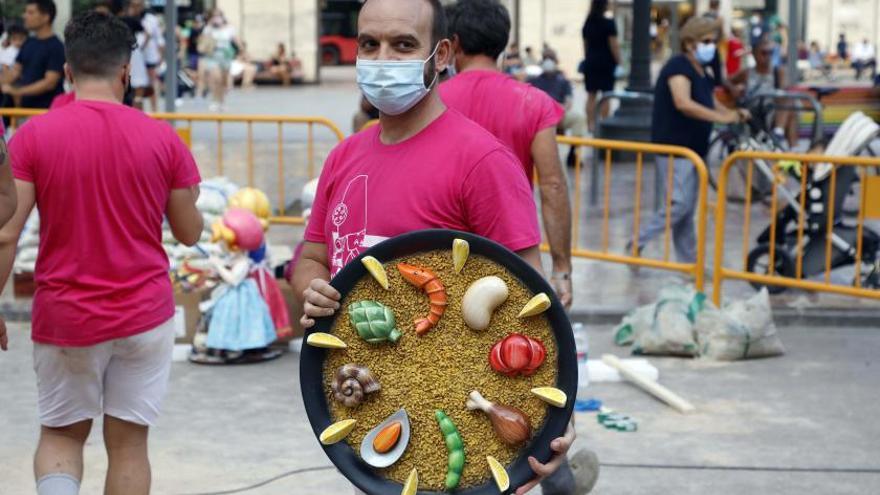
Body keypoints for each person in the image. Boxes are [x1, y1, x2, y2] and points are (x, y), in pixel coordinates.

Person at [292, 1, 576, 494]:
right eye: (369, 45)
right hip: (364, 411)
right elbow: (313, 255)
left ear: (441, 53)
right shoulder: (344, 155)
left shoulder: (482, 161)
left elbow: (533, 305)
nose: (383, 59)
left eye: (403, 45)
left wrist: (551, 420)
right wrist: (310, 286)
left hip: (457, 432)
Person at [0, 11, 203, 495]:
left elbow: (7, 231)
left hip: (66, 316)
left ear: (68, 71)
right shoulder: (162, 139)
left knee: (61, 436)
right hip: (144, 315)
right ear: (126, 73)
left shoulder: (33, 136)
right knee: (130, 446)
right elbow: (190, 233)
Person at [441, 0, 574, 311]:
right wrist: (562, 269)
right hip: (511, 252)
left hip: (441, 252)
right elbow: (553, 186)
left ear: (454, 42)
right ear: (502, 42)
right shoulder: (533, 102)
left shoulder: (433, 101)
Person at [633, 16, 747, 263]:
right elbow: (683, 103)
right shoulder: (678, 67)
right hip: (676, 147)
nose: (711, 45)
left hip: (695, 148)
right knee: (679, 206)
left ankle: (689, 262)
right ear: (690, 42)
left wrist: (732, 114)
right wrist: (720, 117)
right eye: (706, 40)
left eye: (713, 41)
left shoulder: (701, 70)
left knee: (686, 211)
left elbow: (709, 100)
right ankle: (637, 241)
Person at [729, 39, 797, 147]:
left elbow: (783, 91)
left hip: (773, 111)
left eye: (771, 52)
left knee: (789, 103)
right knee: (791, 109)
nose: (768, 56)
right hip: (753, 111)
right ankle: (791, 147)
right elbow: (727, 80)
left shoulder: (778, 71)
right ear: (754, 54)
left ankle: (781, 135)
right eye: (764, 53)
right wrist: (734, 89)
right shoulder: (747, 72)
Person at [1, 0, 65, 109]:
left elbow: (50, 82)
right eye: (25, 12)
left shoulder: (56, 47)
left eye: (30, 12)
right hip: (24, 110)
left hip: (47, 111)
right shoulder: (29, 42)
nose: (24, 16)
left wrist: (17, 91)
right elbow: (15, 71)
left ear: (45, 17)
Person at [581, 0, 619, 133]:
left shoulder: (588, 23)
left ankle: (590, 125)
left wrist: (589, 58)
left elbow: (585, 46)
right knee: (606, 95)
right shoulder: (609, 23)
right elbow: (613, 45)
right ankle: (604, 123)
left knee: (591, 94)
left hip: (591, 62)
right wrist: (619, 61)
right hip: (606, 63)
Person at [200, 9, 239, 111]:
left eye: (219, 16)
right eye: (214, 16)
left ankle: (222, 101)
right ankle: (214, 101)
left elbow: (236, 40)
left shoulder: (229, 28)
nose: (217, 18)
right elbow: (203, 41)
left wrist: (242, 50)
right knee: (216, 78)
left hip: (226, 56)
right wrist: (210, 26)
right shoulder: (208, 29)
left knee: (223, 81)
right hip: (213, 56)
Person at [128, 0, 162, 112]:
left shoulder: (150, 19)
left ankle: (154, 110)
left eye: (138, 5)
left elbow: (157, 38)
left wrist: (160, 56)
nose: (136, 7)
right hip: (133, 57)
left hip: (148, 56)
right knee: (135, 85)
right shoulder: (128, 17)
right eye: (133, 5)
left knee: (150, 83)